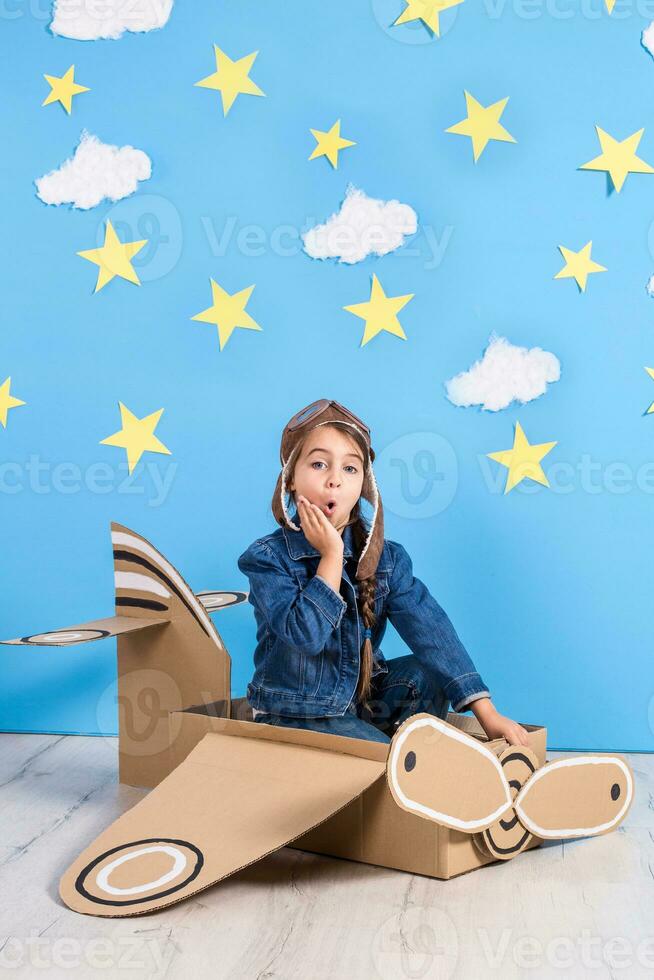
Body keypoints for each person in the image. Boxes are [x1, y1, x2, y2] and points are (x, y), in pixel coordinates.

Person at [237, 398, 530, 747]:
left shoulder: (387, 559)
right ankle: (390, 759)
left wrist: (487, 712)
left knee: (428, 673)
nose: (334, 481)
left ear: (364, 485)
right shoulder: (268, 558)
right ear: (290, 482)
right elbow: (306, 636)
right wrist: (331, 556)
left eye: (350, 469)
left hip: (358, 704)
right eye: (318, 464)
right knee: (389, 759)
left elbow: (431, 630)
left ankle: (398, 753)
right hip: (294, 713)